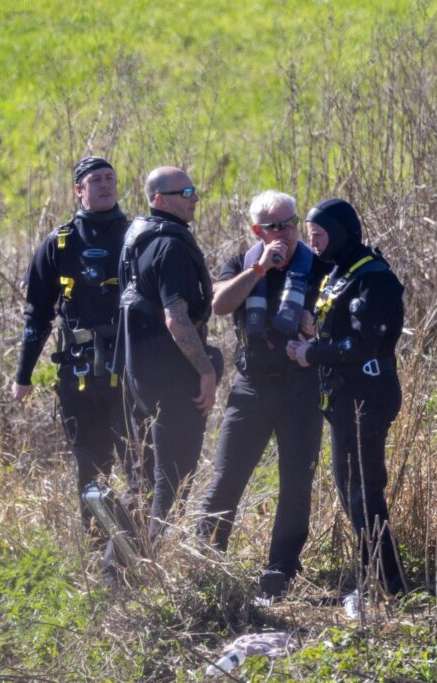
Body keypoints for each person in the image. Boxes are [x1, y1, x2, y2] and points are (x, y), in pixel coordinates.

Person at [197, 190, 331, 598]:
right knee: (226, 478)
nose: (285, 233)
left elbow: (340, 325)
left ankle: (280, 572)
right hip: (252, 385)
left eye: (290, 224)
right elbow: (220, 304)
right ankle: (206, 564)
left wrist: (315, 328)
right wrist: (259, 269)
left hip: (301, 387)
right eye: (274, 227)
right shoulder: (242, 262)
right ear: (258, 231)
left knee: (296, 483)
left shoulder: (319, 267)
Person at [286, 198, 407, 603]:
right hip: (343, 398)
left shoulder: (374, 277)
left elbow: (362, 344)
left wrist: (312, 353)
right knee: (350, 489)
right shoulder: (339, 271)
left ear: (340, 233)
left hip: (367, 397)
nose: (314, 244)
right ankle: (383, 580)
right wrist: (314, 332)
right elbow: (338, 328)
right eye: (311, 236)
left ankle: (384, 584)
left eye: (319, 235)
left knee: (362, 491)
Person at [12, 156, 138, 535]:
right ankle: (99, 548)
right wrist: (23, 376)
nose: (105, 185)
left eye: (110, 178)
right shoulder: (59, 244)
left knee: (140, 467)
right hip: (79, 378)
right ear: (79, 190)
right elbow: (37, 316)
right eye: (96, 180)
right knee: (89, 469)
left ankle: (141, 547)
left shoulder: (138, 236)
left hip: (130, 375)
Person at [116, 165, 219, 544]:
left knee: (144, 480)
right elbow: (176, 318)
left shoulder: (136, 239)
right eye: (186, 193)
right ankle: (158, 563)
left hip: (137, 379)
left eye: (193, 190)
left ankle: (120, 564)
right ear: (160, 200)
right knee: (173, 480)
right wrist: (206, 370)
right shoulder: (171, 246)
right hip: (172, 383)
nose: (195, 198)